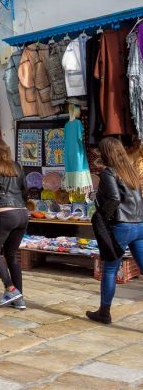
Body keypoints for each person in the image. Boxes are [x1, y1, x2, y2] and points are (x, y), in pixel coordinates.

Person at [86, 137, 143, 325]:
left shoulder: (109, 173)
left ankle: (104, 312)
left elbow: (113, 198)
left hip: (121, 225)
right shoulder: (131, 172)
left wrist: (101, 217)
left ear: (106, 153)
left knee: (110, 269)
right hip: (139, 225)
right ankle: (103, 312)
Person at [0, 137, 29, 309]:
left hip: (5, 212)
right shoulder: (17, 166)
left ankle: (11, 289)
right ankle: (19, 299)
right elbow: (25, 192)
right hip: (22, 213)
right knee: (11, 255)